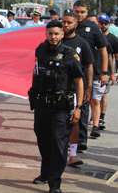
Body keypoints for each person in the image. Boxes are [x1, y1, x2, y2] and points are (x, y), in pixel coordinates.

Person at [29, 20, 83, 193]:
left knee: (59, 144)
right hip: (42, 105)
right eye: (50, 34)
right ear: (46, 34)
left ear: (62, 34)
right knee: (43, 141)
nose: (53, 37)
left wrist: (79, 107)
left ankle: (55, 183)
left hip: (61, 108)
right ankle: (44, 174)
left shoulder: (70, 54)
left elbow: (79, 81)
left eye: (56, 34)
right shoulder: (40, 50)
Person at [73, 0, 108, 151]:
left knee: (83, 105)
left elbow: (103, 50)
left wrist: (105, 72)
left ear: (87, 13)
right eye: (77, 11)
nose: (79, 15)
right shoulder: (65, 26)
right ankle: (65, 138)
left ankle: (81, 140)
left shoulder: (93, 28)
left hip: (85, 74)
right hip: (66, 75)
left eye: (82, 12)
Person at [61, 12, 94, 167]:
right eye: (64, 22)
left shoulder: (82, 43)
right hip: (57, 89)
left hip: (74, 89)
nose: (65, 25)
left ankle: (73, 154)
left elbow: (88, 66)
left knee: (74, 120)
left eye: (69, 23)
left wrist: (88, 88)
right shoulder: (55, 40)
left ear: (75, 24)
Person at [97, 14, 118, 131]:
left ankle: (101, 118)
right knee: (95, 97)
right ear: (98, 24)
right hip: (95, 70)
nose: (103, 25)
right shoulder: (96, 37)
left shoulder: (113, 39)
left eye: (105, 23)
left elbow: (114, 56)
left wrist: (113, 73)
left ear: (109, 25)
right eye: (101, 23)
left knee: (103, 94)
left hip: (107, 71)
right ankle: (94, 116)